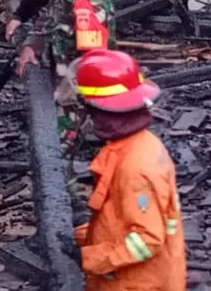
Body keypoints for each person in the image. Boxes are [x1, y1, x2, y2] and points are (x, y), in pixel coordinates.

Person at [67, 49, 186, 290]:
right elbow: (120, 217)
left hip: (138, 281)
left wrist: (89, 258)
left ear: (103, 111)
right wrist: (82, 235)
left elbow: (147, 239)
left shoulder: (135, 166)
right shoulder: (138, 144)